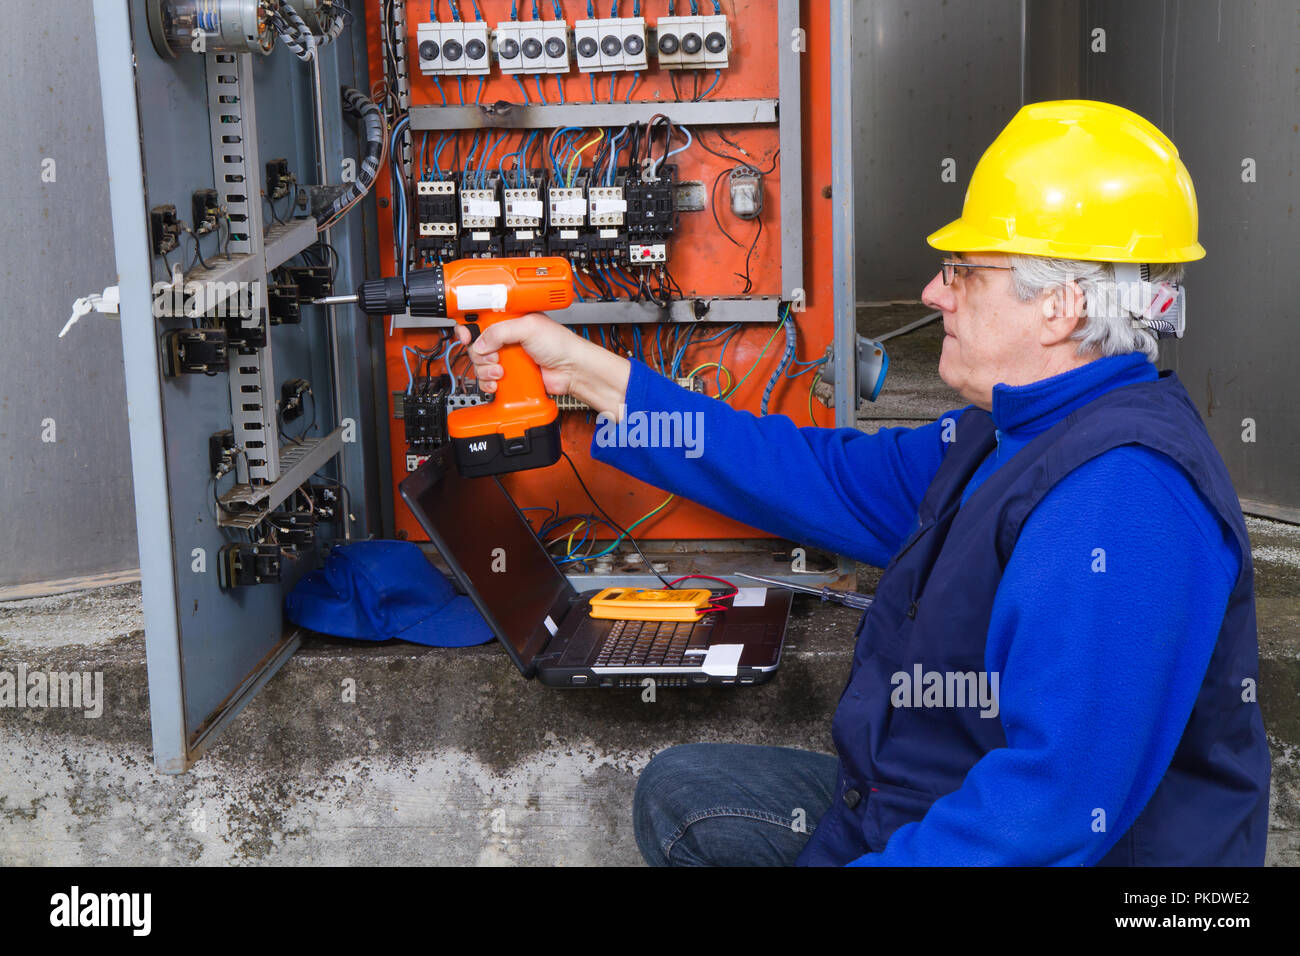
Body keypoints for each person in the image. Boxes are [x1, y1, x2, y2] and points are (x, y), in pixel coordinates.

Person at [454, 100, 1270, 866]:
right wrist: (589, 374)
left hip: (1028, 846)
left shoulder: (1123, 499)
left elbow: (1041, 819)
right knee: (686, 795)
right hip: (920, 798)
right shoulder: (1006, 430)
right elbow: (816, 474)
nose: (931, 293)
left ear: (1057, 305)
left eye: (961, 272)